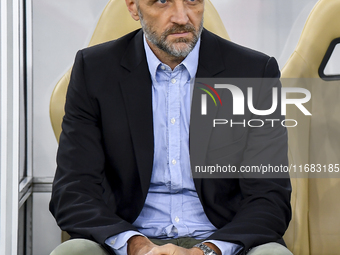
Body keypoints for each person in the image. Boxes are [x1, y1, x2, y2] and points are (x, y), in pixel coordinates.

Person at [49, 0, 292, 255]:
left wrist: (206, 251)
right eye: (162, 1)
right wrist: (137, 246)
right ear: (133, 7)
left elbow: (270, 197)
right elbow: (73, 191)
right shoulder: (95, 70)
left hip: (222, 242)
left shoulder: (253, 72)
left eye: (192, 1)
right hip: (126, 240)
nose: (181, 16)